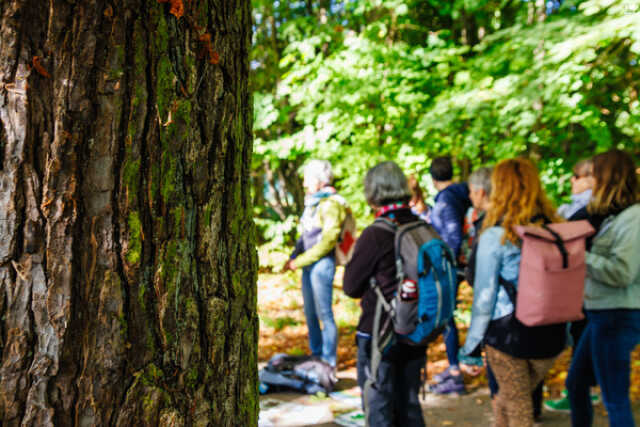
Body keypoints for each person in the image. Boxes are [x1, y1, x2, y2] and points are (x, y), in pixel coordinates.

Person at [462, 158, 566, 427]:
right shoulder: (557, 230)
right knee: (508, 400)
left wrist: (471, 348)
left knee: (518, 408)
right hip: (552, 335)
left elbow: (484, 300)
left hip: (509, 336)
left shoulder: (496, 236)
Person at [343, 161, 427, 427]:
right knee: (409, 405)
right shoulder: (420, 227)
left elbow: (351, 287)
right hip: (415, 329)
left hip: (379, 333)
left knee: (379, 405)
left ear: (372, 193)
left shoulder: (375, 234)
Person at [566, 149, 640, 427]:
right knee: (576, 384)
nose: (590, 181)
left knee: (614, 398)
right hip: (602, 313)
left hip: (617, 314)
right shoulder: (611, 216)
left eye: (594, 175)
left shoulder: (633, 218)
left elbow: (622, 272)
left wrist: (578, 255)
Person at [284, 160, 346, 369]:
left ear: (320, 180)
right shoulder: (312, 203)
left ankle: (329, 363)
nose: (304, 184)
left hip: (322, 266)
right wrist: (294, 256)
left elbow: (329, 240)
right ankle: (316, 355)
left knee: (324, 314)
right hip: (309, 265)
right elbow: (305, 235)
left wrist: (300, 260)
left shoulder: (331, 203)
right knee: (310, 313)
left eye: (308, 179)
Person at [428, 156, 471, 394]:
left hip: (449, 267)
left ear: (433, 179)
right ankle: (454, 367)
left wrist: (445, 263)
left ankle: (455, 373)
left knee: (446, 317)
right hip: (458, 264)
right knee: (447, 317)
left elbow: (453, 234)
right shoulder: (459, 194)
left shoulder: (446, 200)